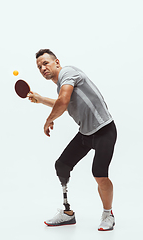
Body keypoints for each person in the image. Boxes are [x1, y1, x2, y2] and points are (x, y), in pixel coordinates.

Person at [28, 49, 117, 231]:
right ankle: (68, 213)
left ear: (57, 62)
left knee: (99, 174)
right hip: (86, 133)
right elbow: (66, 104)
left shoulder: (68, 73)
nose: (42, 68)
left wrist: (48, 120)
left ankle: (108, 214)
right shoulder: (61, 86)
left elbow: (63, 101)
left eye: (45, 63)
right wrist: (41, 99)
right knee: (62, 165)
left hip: (104, 130)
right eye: (39, 67)